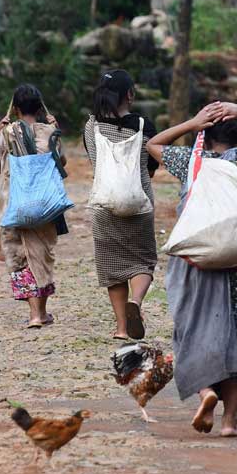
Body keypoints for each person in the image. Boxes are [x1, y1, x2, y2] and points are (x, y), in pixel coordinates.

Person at [147, 100, 237, 438]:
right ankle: (230, 421)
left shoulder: (190, 162)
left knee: (192, 330)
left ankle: (206, 392)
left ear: (205, 132)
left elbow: (153, 144)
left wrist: (191, 122)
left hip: (195, 263)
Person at [0, 85, 67, 329]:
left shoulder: (8, 133)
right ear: (41, 109)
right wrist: (56, 129)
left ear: (16, 109)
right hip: (46, 204)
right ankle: (42, 312)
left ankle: (34, 316)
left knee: (22, 256)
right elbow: (61, 161)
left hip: (15, 204)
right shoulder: (50, 131)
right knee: (42, 254)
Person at [83, 69, 157, 340]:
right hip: (139, 204)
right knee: (143, 261)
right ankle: (135, 302)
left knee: (112, 266)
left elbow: (95, 161)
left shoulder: (92, 126)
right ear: (129, 94)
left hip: (104, 204)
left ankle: (121, 329)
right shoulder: (144, 125)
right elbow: (151, 167)